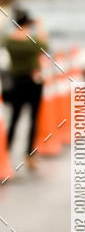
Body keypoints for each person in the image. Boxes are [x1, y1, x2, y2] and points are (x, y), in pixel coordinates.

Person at [4, 9, 48, 171]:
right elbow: (45, 45)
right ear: (28, 23)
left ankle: (6, 150)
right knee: (33, 118)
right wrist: (40, 27)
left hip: (16, 81)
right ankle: (29, 153)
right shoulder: (32, 40)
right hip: (33, 81)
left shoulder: (9, 41)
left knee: (14, 117)